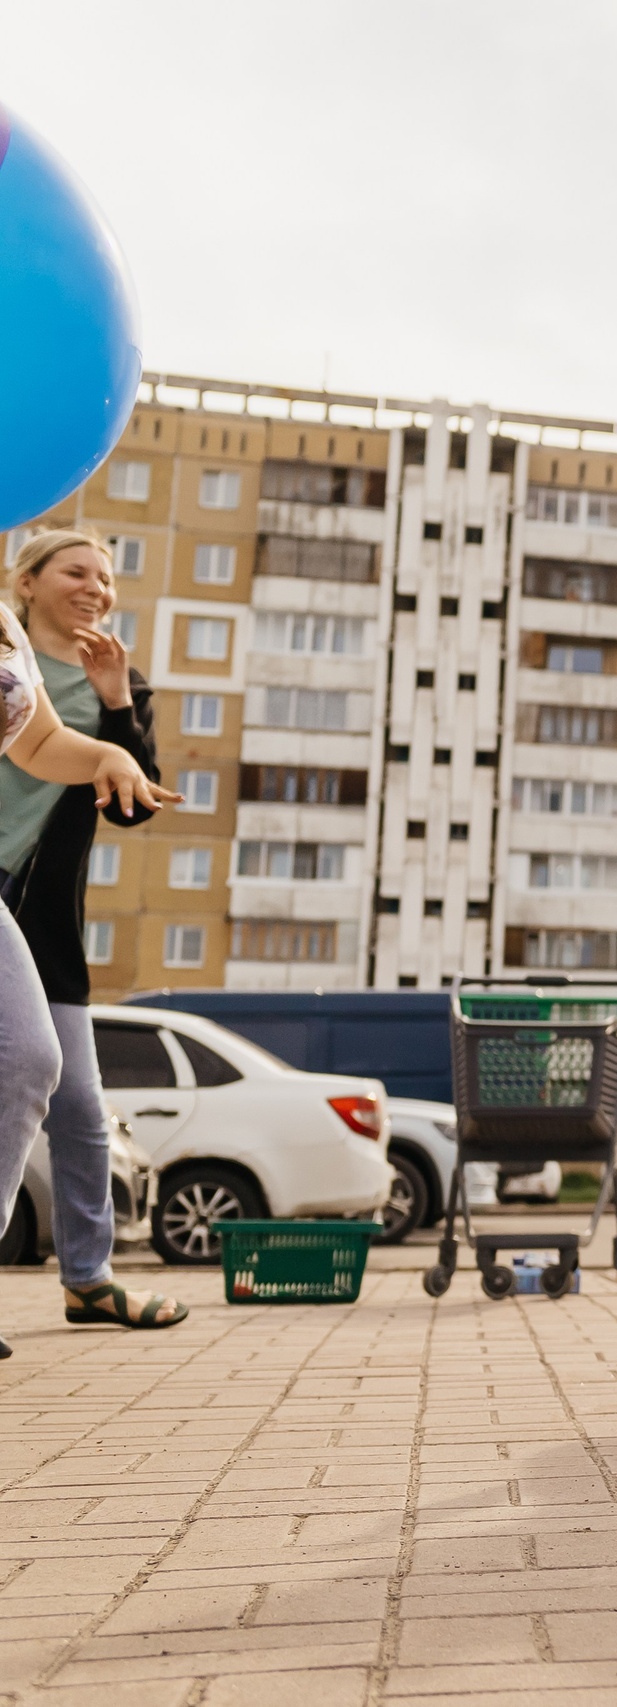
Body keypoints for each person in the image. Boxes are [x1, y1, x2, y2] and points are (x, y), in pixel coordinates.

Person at [0, 532, 185, 1333]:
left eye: (105, 578)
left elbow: (134, 801)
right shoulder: (9, 645)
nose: (95, 588)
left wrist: (115, 707)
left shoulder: (112, 680)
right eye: (76, 571)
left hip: (40, 912)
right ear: (28, 581)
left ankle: (89, 1277)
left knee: (72, 1095)